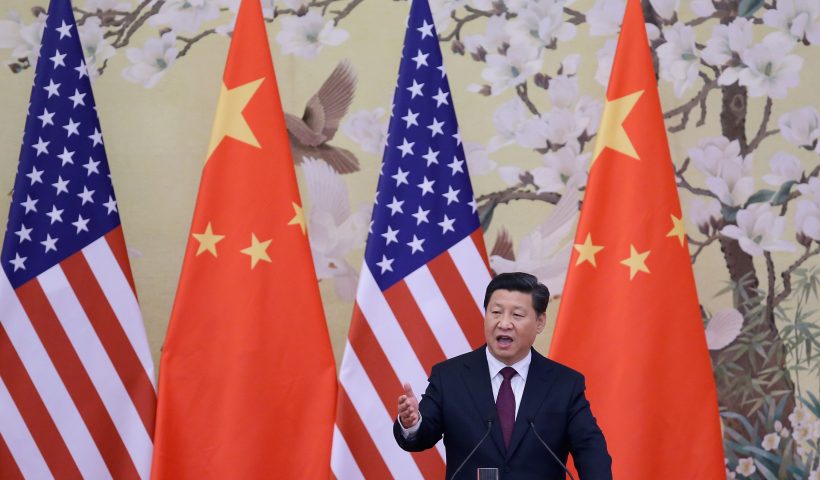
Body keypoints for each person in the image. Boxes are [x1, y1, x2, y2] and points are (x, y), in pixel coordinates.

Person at [394, 272, 612, 479]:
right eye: (495, 312)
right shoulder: (449, 376)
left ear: (540, 322)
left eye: (517, 315)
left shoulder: (565, 384)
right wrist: (411, 423)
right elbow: (420, 438)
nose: (504, 323)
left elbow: (590, 450)